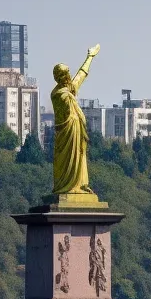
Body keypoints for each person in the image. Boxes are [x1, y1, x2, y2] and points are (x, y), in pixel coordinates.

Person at [50, 44, 99, 196]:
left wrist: (90, 57)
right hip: (67, 132)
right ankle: (67, 187)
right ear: (62, 76)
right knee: (67, 161)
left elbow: (81, 76)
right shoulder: (59, 94)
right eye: (67, 73)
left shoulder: (67, 89)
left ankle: (79, 184)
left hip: (76, 131)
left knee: (79, 156)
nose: (70, 75)